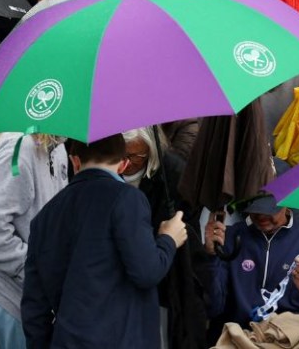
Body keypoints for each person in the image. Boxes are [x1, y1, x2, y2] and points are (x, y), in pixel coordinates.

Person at [21, 132, 188, 349]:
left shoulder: (45, 216)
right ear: (123, 165)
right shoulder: (129, 199)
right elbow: (147, 271)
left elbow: (35, 307)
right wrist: (168, 239)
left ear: (75, 161)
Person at [200, 193, 299, 330]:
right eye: (255, 208)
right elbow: (210, 309)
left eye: (269, 209)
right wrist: (211, 256)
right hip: (238, 338)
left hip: (293, 339)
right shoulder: (229, 238)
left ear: (287, 202)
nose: (261, 216)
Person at [0, 132, 70, 349]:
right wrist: (32, 269)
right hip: (10, 295)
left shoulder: (59, 148)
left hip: (40, 295)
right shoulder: (19, 149)